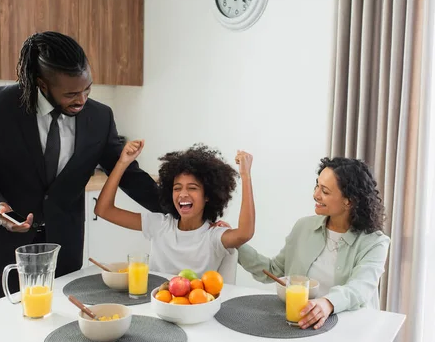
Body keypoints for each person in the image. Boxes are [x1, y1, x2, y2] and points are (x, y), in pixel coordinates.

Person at [0, 31, 162, 302]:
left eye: (87, 89)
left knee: (64, 334)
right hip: (7, 253)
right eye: (72, 93)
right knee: (9, 335)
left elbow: (128, 174)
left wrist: (179, 210)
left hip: (66, 250)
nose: (82, 100)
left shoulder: (100, 117)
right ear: (42, 83)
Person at [237, 157, 390, 330]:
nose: (316, 195)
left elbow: (359, 288)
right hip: (303, 326)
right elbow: (273, 270)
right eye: (317, 186)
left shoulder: (375, 242)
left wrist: (327, 303)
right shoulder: (304, 227)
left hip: (350, 330)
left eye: (325, 191)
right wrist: (234, 243)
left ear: (349, 201)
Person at [94, 141, 255, 277]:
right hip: (156, 307)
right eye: (177, 188)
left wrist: (246, 175)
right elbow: (104, 210)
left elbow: (245, 233)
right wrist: (122, 163)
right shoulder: (159, 225)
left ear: (208, 195)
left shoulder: (213, 237)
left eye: (192, 188)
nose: (182, 194)